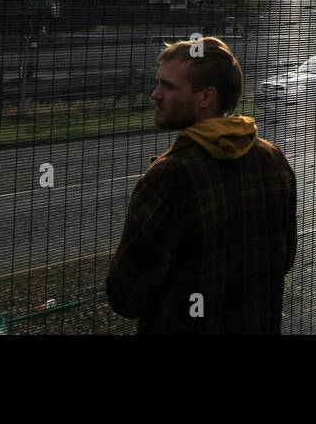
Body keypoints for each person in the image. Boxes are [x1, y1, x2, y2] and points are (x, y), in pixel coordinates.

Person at [106, 37, 297, 334]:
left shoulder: (169, 176)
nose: (155, 94)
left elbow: (126, 295)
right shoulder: (273, 159)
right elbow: (283, 260)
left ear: (206, 97)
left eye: (168, 87)